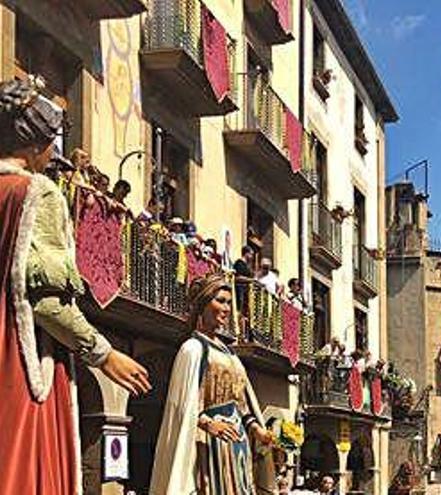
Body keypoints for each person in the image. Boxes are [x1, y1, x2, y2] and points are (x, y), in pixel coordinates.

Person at [0, 76, 151, 494]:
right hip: (20, 369)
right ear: (35, 145)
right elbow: (47, 304)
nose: (54, 154)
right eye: (52, 142)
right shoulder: (36, 193)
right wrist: (105, 355)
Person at [150, 274, 275, 494]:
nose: (226, 308)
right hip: (206, 444)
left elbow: (243, 405)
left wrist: (257, 431)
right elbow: (183, 404)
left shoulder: (232, 356)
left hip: (237, 446)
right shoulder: (193, 349)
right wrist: (209, 424)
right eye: (220, 301)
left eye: (229, 302)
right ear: (203, 305)